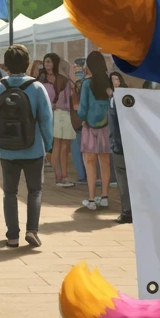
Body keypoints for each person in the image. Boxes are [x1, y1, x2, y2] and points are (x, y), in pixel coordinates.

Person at [0, 44, 53, 247]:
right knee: (34, 190)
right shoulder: (36, 87)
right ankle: (32, 230)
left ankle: (12, 235)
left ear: (6, 65)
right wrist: (48, 144)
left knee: (10, 192)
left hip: (7, 150)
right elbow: (45, 120)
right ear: (27, 63)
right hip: (33, 148)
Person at [78, 53, 115, 210]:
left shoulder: (87, 84)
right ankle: (105, 196)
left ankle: (92, 200)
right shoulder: (108, 82)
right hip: (106, 127)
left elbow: (83, 109)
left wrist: (81, 117)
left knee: (90, 163)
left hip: (89, 128)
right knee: (105, 162)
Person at [43, 54, 76, 188]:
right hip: (64, 114)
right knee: (62, 147)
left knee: (57, 146)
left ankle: (59, 176)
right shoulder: (64, 81)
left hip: (53, 114)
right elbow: (68, 101)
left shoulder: (44, 80)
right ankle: (63, 176)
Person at [108, 71, 131, 223]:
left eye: (117, 79)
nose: (115, 82)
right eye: (113, 79)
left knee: (123, 179)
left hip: (119, 143)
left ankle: (127, 211)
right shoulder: (126, 97)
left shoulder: (116, 98)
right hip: (123, 142)